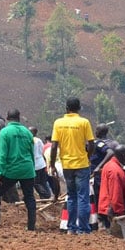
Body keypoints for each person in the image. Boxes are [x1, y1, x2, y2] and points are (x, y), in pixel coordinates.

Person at [0, 109, 36, 230]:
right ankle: (31, 226)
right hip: (27, 169)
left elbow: (2, 154)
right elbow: (31, 153)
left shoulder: (5, 132)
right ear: (19, 118)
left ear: (7, 118)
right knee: (29, 197)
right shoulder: (27, 132)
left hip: (11, 170)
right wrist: (32, 169)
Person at [50, 97, 95, 235]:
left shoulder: (58, 123)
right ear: (79, 108)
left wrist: (52, 164)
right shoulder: (84, 122)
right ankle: (83, 229)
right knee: (83, 197)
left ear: (66, 108)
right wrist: (87, 157)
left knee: (71, 196)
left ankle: (71, 227)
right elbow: (91, 143)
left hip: (67, 164)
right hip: (81, 164)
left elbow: (54, 146)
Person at [98, 145, 125, 246]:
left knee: (116, 238)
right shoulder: (115, 170)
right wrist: (119, 211)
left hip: (112, 207)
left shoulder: (109, 165)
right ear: (123, 155)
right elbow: (115, 192)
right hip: (117, 209)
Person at [90, 123, 118, 231]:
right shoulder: (114, 143)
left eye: (96, 130)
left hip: (100, 175)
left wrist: (98, 167)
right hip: (110, 174)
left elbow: (110, 153)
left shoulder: (98, 144)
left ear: (98, 132)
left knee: (99, 197)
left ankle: (102, 222)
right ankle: (107, 222)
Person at [29, 126, 51, 199]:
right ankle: (46, 195)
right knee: (43, 181)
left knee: (35, 183)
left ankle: (46, 195)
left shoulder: (30, 140)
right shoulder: (39, 140)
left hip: (35, 165)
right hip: (41, 163)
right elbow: (42, 151)